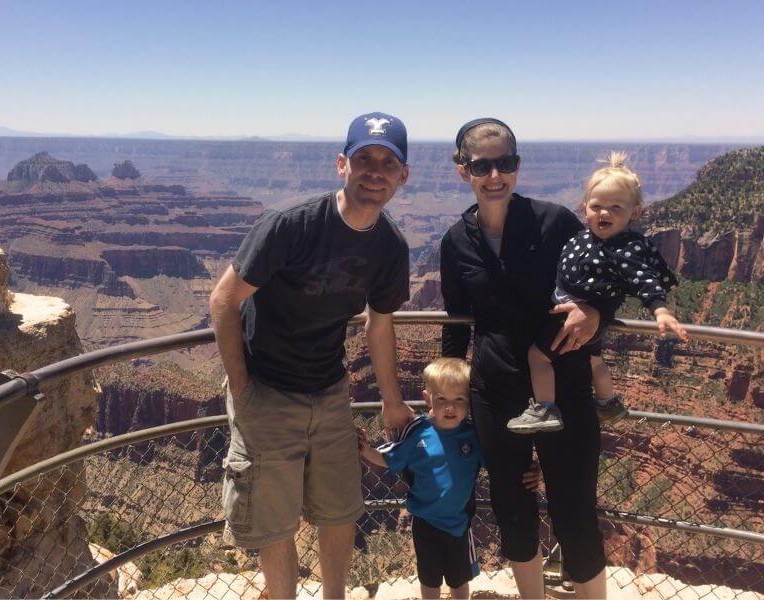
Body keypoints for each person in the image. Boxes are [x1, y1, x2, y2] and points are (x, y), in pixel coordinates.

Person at [209, 112, 416, 600]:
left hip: (328, 390)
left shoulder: (390, 247)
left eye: (389, 163)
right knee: (275, 519)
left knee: (340, 509)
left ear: (403, 176)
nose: (375, 171)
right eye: (364, 158)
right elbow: (223, 298)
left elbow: (379, 323)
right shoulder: (291, 225)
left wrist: (391, 400)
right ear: (342, 163)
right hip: (267, 389)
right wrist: (241, 386)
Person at [440, 117, 609, 598]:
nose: (495, 176)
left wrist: (597, 309)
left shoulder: (554, 223)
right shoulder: (456, 242)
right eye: (482, 165)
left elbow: (603, 275)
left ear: (518, 166)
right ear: (462, 170)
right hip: (495, 391)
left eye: (505, 163)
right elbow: (455, 324)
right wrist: (446, 391)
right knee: (512, 507)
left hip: (566, 383)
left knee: (573, 507)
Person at [508, 151, 689, 433]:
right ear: (584, 207)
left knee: (538, 356)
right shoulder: (588, 237)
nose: (605, 213)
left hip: (571, 318)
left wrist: (661, 310)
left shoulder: (625, 248)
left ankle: (544, 408)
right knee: (595, 360)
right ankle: (608, 402)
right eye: (597, 206)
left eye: (616, 208)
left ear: (635, 212)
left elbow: (644, 280)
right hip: (594, 323)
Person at [358, 357, 541, 600]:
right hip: (424, 520)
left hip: (459, 523)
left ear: (469, 402)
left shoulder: (473, 435)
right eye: (441, 399)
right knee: (429, 579)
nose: (450, 408)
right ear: (427, 397)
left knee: (459, 579)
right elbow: (392, 456)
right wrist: (367, 451)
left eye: (459, 400)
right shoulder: (417, 431)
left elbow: (498, 464)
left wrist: (530, 468)